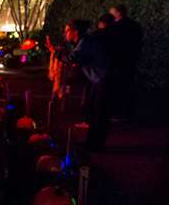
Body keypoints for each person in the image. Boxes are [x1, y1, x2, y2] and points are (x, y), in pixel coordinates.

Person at [46, 20, 118, 152]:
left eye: (67, 30)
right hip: (99, 79)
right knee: (93, 111)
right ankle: (92, 142)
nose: (65, 33)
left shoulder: (84, 42)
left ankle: (97, 145)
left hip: (104, 78)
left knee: (99, 113)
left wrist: (55, 52)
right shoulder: (82, 42)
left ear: (75, 32)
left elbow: (73, 58)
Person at [110, 4, 143, 121]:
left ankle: (116, 114)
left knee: (117, 88)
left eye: (112, 14)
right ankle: (130, 114)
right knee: (128, 88)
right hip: (130, 61)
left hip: (118, 61)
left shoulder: (115, 28)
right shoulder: (135, 26)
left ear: (118, 14)